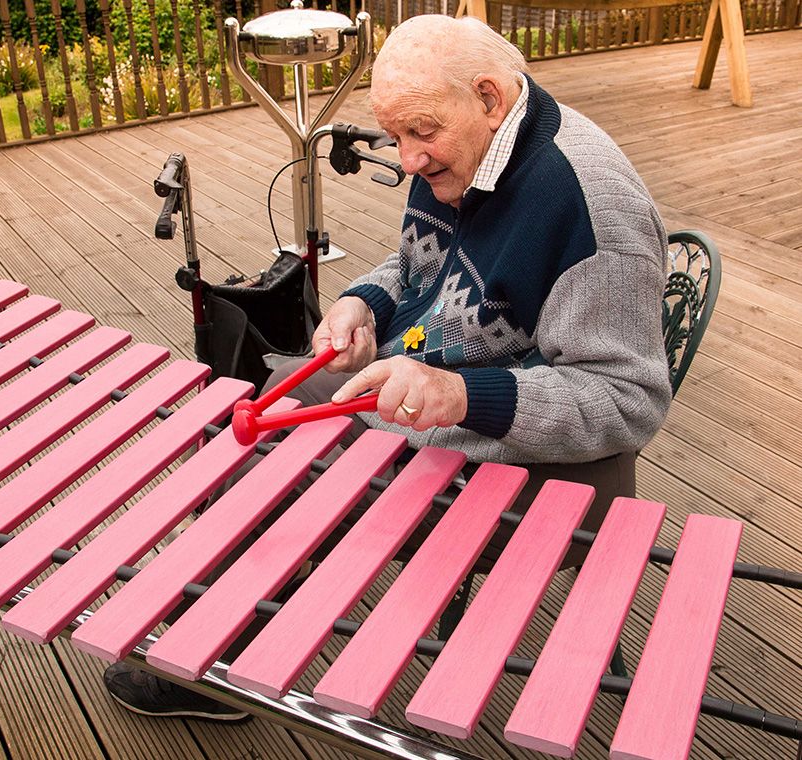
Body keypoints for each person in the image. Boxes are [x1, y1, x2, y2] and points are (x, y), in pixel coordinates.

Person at [103, 13, 672, 721]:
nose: (405, 159)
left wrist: (461, 395)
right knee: (239, 412)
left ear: (490, 98)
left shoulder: (593, 211)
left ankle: (217, 661)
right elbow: (418, 265)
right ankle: (229, 618)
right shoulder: (466, 142)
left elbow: (629, 400)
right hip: (419, 373)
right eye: (396, 135)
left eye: (420, 134)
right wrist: (364, 302)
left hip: (538, 462)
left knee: (274, 472)